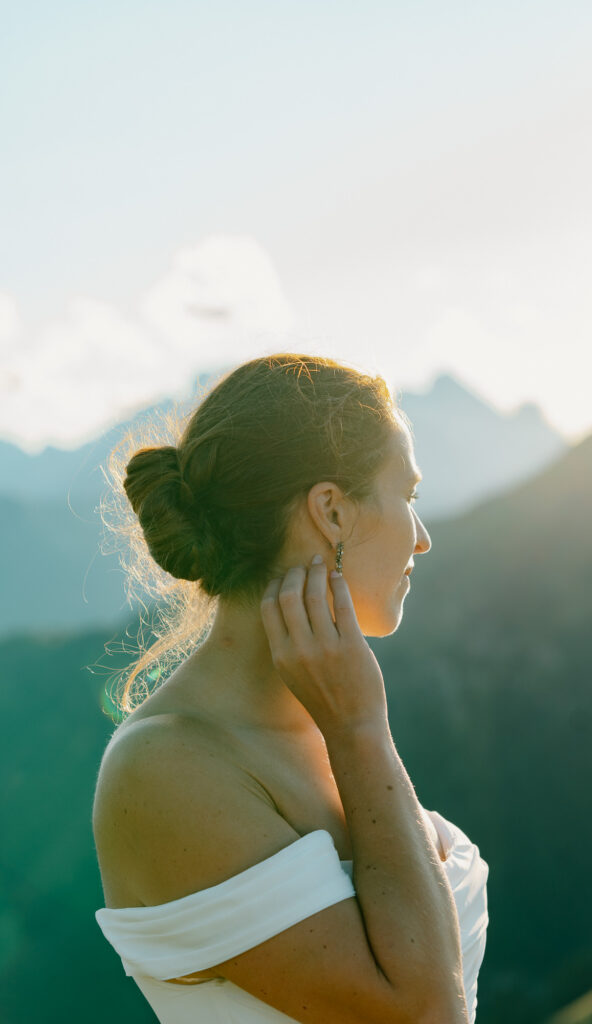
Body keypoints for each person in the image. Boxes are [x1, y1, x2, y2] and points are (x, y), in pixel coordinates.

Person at [93, 352, 488, 1024]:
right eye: (409, 497)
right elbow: (425, 1014)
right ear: (331, 511)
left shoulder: (320, 714)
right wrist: (361, 731)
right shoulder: (163, 770)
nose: (421, 540)